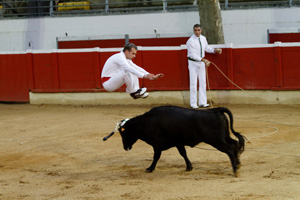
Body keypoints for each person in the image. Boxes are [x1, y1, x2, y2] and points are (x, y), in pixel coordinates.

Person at [186, 24, 222, 109]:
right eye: (195, 30)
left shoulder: (203, 38)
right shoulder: (190, 41)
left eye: (198, 30)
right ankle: (193, 103)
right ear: (193, 31)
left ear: (201, 30)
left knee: (203, 83)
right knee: (193, 83)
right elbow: (192, 55)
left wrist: (214, 50)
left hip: (202, 62)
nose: (197, 32)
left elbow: (206, 48)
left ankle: (203, 102)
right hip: (193, 63)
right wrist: (203, 60)